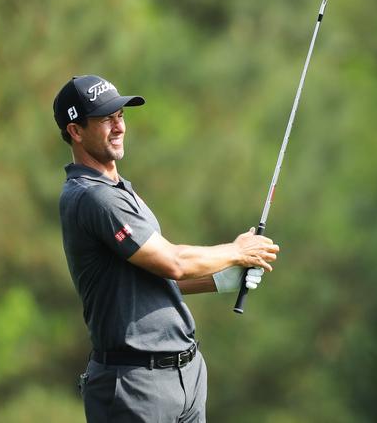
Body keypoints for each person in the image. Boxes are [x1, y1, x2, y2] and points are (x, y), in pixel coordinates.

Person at [53, 74, 279, 422]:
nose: (118, 127)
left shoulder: (117, 190)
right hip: (135, 386)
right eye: (104, 119)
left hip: (185, 373)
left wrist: (219, 280)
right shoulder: (93, 197)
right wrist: (236, 251)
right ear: (75, 131)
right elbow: (173, 262)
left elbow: (150, 278)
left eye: (120, 116)